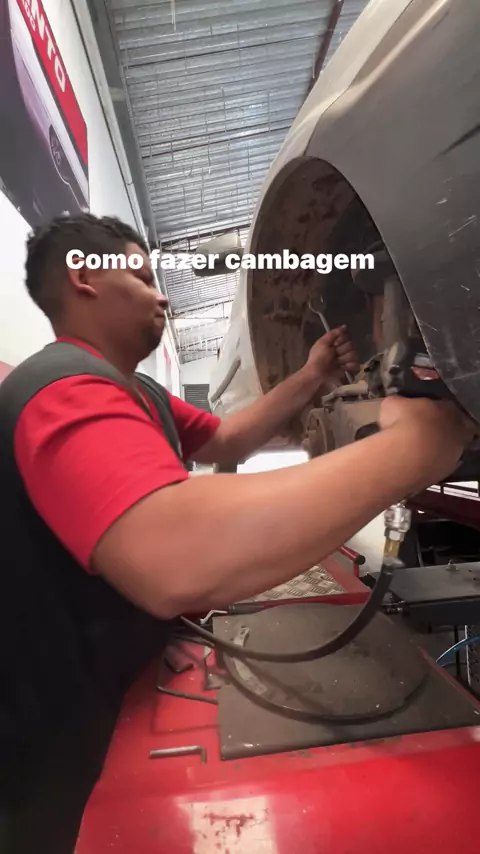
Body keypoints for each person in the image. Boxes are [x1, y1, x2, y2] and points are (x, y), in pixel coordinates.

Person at [0, 214, 473, 853]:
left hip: (107, 693)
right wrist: (412, 450)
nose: (162, 296)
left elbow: (227, 440)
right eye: (143, 277)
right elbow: (172, 557)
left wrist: (311, 376)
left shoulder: (136, 391)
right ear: (85, 276)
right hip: (55, 746)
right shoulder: (63, 389)